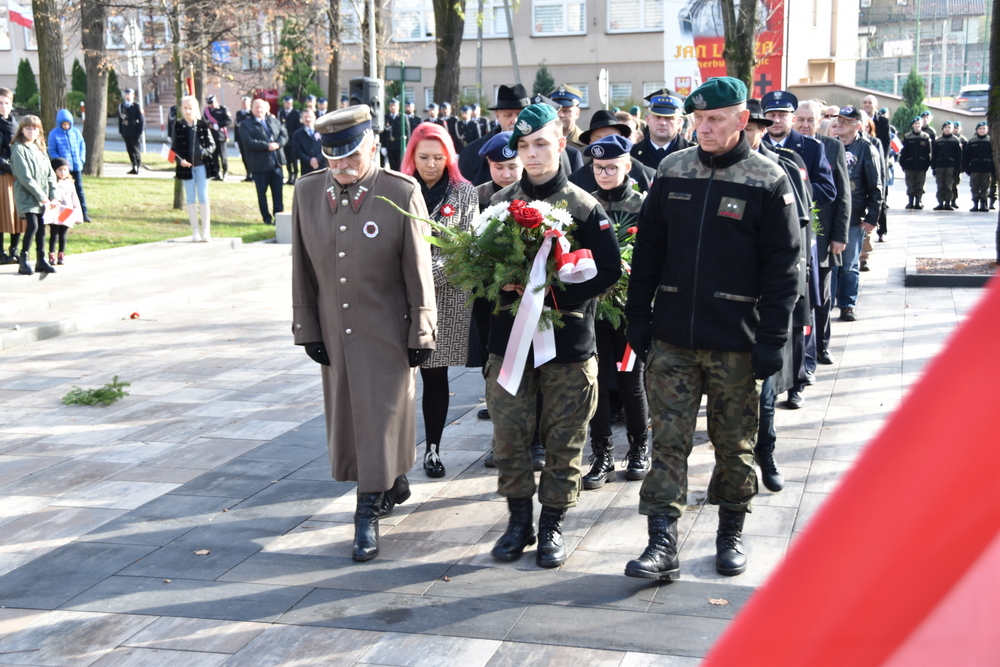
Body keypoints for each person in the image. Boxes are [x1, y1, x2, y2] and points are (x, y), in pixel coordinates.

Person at [624, 77, 800, 579]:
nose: (704, 128)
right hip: (673, 336)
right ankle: (661, 542)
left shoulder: (767, 179)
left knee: (734, 444)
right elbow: (650, 249)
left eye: (716, 119)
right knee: (670, 440)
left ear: (742, 120)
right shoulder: (672, 169)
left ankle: (731, 531)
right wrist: (639, 317)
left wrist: (772, 339)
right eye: (698, 119)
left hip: (737, 343)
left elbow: (783, 267)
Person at [291, 104, 436, 562]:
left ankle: (366, 511)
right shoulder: (308, 192)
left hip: (386, 328)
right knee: (353, 418)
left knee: (382, 413)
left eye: (351, 156)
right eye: (332, 158)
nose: (341, 167)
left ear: (373, 145)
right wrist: (307, 325)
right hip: (335, 329)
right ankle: (391, 480)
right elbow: (302, 267)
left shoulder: (400, 192)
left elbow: (418, 270)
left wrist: (421, 330)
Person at [484, 103, 620, 568]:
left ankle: (552, 525)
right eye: (523, 145)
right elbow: (476, 273)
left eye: (541, 143)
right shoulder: (499, 207)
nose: (532, 154)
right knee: (509, 439)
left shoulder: (584, 207)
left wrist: (552, 288)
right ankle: (518, 521)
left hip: (567, 345)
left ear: (561, 144)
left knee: (564, 440)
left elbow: (608, 272)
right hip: (511, 347)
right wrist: (500, 284)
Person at [399, 122, 477, 478]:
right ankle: (394, 453)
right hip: (398, 297)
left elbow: (466, 245)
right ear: (412, 156)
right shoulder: (398, 188)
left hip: (446, 296)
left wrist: (423, 277)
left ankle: (433, 448)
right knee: (397, 378)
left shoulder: (464, 193)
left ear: (450, 157)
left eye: (438, 157)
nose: (431, 164)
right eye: (424, 157)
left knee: (435, 374)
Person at [746, 98, 813, 490]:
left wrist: (797, 298)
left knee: (766, 390)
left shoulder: (783, 166)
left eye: (756, 126)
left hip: (765, 302)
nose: (750, 132)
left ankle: (765, 453)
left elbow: (796, 242)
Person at [579, 134, 650, 490]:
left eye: (611, 167)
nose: (604, 173)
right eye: (597, 167)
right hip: (593, 307)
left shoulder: (644, 205)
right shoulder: (586, 204)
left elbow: (653, 254)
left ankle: (639, 447)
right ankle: (602, 453)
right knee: (599, 382)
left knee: (630, 380)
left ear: (627, 166)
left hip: (628, 310)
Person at [793, 99, 849, 368]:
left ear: (820, 123)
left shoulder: (831, 147)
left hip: (823, 235)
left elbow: (841, 195)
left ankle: (821, 345)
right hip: (794, 235)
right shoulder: (785, 146)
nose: (805, 125)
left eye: (810, 120)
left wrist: (840, 235)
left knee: (822, 295)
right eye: (800, 120)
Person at [831, 106, 882, 322]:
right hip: (830, 216)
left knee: (849, 264)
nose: (840, 124)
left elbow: (876, 186)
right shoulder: (828, 145)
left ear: (857, 126)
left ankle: (847, 305)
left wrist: (872, 218)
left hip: (854, 217)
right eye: (838, 120)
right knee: (830, 265)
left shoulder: (866, 149)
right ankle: (828, 301)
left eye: (846, 121)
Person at [761, 90, 837, 208]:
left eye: (782, 115)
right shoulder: (755, 146)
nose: (776, 120)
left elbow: (827, 190)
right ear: (765, 119)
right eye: (772, 115)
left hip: (797, 218)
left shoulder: (812, 147)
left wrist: (793, 192)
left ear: (793, 119)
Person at [10, 115, 57, 275]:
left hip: (43, 197)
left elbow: (50, 173)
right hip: (27, 195)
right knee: (33, 225)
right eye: (28, 127)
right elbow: (25, 177)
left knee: (42, 228)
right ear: (22, 130)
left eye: (35, 128)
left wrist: (53, 196)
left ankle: (41, 260)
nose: (32, 131)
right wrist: (42, 196)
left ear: (39, 130)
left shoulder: (40, 149)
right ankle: (23, 259)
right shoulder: (18, 149)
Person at [458, 84, 532, 185]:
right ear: (497, 116)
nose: (514, 121)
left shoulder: (540, 148)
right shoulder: (472, 152)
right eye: (508, 115)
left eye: (520, 114)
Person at [569, 110, 655, 194]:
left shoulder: (647, 175)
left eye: (610, 137)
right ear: (590, 143)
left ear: (622, 138)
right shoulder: (576, 180)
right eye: (598, 139)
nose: (604, 143)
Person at [173, 95, 217, 242]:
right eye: (185, 108)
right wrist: (180, 161)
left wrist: (203, 153)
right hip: (186, 167)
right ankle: (195, 231)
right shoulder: (178, 125)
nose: (188, 111)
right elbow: (173, 149)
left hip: (201, 165)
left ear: (196, 109)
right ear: (181, 109)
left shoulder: (202, 125)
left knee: (203, 196)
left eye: (190, 108)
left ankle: (206, 231)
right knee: (190, 198)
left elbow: (212, 145)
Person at [240, 98, 287, 225]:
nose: (259, 110)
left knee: (278, 193)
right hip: (259, 165)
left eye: (262, 107)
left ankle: (279, 218)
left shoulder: (273, 121)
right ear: (252, 109)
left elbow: (284, 134)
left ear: (266, 108)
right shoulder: (246, 124)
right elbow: (248, 142)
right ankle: (266, 218)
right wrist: (267, 146)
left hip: (276, 164)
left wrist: (277, 144)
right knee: (262, 194)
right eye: (256, 107)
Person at [46, 108, 91, 223]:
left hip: (76, 167)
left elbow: (82, 146)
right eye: (64, 124)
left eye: (68, 124)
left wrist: (81, 159)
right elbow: (52, 150)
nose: (66, 126)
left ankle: (84, 212)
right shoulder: (54, 134)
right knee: (63, 191)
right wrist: (61, 163)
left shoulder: (76, 132)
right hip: (63, 169)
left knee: (79, 189)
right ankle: (61, 213)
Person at [630, 91, 689, 170]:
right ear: (648, 120)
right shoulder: (631, 154)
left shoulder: (694, 153)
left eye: (669, 118)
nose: (662, 123)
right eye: (657, 117)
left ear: (679, 122)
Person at [46, 158, 81, 264]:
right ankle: (52, 253)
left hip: (67, 212)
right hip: (55, 212)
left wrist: (78, 214)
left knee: (63, 234)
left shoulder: (70, 183)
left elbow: (75, 198)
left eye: (65, 170)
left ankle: (61, 253)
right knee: (54, 234)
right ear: (54, 171)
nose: (63, 172)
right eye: (60, 170)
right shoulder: (52, 183)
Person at [0, 86, 21, 265]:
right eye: (0, 103)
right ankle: (0, 253)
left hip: (18, 177)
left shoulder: (16, 126)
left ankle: (14, 250)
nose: (3, 106)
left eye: (6, 103)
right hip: (2, 175)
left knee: (18, 213)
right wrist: (11, 169)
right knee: (1, 215)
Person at [899, 116, 932, 210]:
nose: (917, 125)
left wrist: (927, 164)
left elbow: (928, 152)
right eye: (915, 124)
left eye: (919, 123)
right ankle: (910, 202)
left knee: (920, 184)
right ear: (912, 125)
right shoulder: (907, 137)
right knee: (910, 184)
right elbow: (903, 152)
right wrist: (903, 165)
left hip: (921, 165)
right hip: (909, 165)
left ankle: (918, 201)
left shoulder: (925, 136)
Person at [963, 121, 993, 212]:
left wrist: (993, 168)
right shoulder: (972, 141)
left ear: (987, 130)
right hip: (975, 168)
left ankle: (983, 204)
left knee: (985, 187)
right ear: (976, 130)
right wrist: (966, 168)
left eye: (984, 128)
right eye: (980, 129)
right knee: (974, 187)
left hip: (986, 168)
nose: (982, 130)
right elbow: (966, 155)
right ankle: (975, 204)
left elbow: (994, 155)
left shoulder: (990, 141)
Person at [931, 121, 962, 211]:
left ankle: (948, 203)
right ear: (942, 129)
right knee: (940, 185)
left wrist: (957, 168)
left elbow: (958, 156)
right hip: (940, 166)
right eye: (945, 127)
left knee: (948, 185)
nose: (947, 129)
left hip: (950, 166)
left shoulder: (955, 140)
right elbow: (934, 155)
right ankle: (940, 202)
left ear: (952, 129)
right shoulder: (938, 141)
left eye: (949, 127)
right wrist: (933, 168)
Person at [204, 94, 232, 181]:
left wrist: (218, 125)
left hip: (221, 136)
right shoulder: (206, 111)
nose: (211, 105)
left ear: (216, 101)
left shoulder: (223, 109)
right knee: (214, 156)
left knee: (223, 156)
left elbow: (229, 120)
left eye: (212, 103)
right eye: (209, 103)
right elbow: (204, 121)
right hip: (211, 137)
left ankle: (225, 172)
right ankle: (217, 173)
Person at [550, 85, 586, 151]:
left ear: (577, 113)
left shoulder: (587, 144)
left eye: (566, 111)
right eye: (557, 110)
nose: (561, 115)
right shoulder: (543, 142)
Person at [118, 88, 144, 174]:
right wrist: (121, 131)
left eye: (129, 94)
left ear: (133, 95)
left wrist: (140, 132)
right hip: (126, 130)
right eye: (126, 94)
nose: (127, 96)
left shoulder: (137, 106)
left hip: (134, 130)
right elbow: (120, 119)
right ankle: (133, 165)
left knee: (135, 149)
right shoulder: (122, 106)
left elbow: (142, 120)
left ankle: (138, 166)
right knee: (129, 149)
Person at [292, 109, 324, 176]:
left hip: (322, 166)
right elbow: (296, 151)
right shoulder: (297, 134)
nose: (308, 119)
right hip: (306, 168)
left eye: (310, 117)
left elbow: (326, 147)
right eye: (305, 117)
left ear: (315, 118)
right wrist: (309, 160)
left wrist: (317, 159)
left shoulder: (322, 131)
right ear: (302, 119)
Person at [278, 96, 302, 185]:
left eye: (288, 103)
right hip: (285, 140)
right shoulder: (281, 113)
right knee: (287, 160)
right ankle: (289, 176)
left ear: (291, 103)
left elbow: (298, 127)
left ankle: (295, 176)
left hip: (293, 139)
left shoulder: (296, 113)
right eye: (285, 103)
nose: (286, 104)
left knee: (294, 159)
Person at [380, 98, 408, 171]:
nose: (392, 107)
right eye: (391, 106)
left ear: (398, 107)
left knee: (400, 166)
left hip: (399, 145)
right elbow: (383, 133)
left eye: (394, 105)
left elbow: (407, 132)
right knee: (392, 166)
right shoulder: (386, 117)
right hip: (390, 145)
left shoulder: (403, 117)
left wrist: (406, 145)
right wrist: (383, 146)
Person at [234, 96, 254, 182]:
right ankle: (248, 174)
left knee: (250, 157)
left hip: (249, 138)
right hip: (240, 138)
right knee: (244, 157)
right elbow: (236, 127)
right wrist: (235, 140)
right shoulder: (239, 113)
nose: (243, 104)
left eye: (245, 103)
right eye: (242, 103)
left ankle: (252, 174)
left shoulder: (252, 113)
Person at [952, 121, 968, 208]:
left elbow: (966, 154)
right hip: (949, 164)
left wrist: (964, 166)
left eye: (957, 128)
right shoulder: (949, 138)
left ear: (960, 129)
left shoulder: (963, 140)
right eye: (954, 128)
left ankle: (954, 200)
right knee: (947, 184)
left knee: (955, 184)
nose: (956, 129)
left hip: (958, 166)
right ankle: (946, 200)